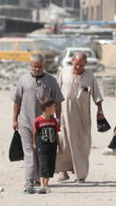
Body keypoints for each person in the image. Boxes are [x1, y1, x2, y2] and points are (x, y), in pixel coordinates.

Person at [12, 53, 64, 190]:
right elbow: (17, 100)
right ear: (30, 65)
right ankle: (29, 179)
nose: (37, 69)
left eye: (40, 67)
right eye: (35, 67)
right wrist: (14, 119)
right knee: (28, 150)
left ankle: (40, 178)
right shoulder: (23, 80)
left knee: (42, 151)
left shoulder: (51, 81)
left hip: (45, 124)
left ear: (44, 66)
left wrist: (58, 119)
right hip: (26, 122)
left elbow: (58, 102)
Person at [56, 52, 105, 182]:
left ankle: (80, 175)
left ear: (86, 64)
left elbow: (97, 96)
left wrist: (100, 111)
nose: (78, 67)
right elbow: (56, 93)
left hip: (82, 119)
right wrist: (55, 115)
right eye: (76, 64)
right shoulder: (64, 72)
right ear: (72, 61)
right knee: (64, 143)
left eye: (81, 65)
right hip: (64, 116)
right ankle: (63, 171)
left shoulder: (89, 76)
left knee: (81, 145)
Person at [32, 98, 62, 194]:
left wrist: (60, 146)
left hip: (52, 147)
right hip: (42, 147)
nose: (56, 108)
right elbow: (35, 133)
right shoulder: (38, 121)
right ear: (47, 108)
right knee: (43, 165)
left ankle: (46, 184)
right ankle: (42, 185)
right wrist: (34, 143)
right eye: (54, 107)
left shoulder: (54, 121)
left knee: (51, 166)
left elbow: (57, 134)